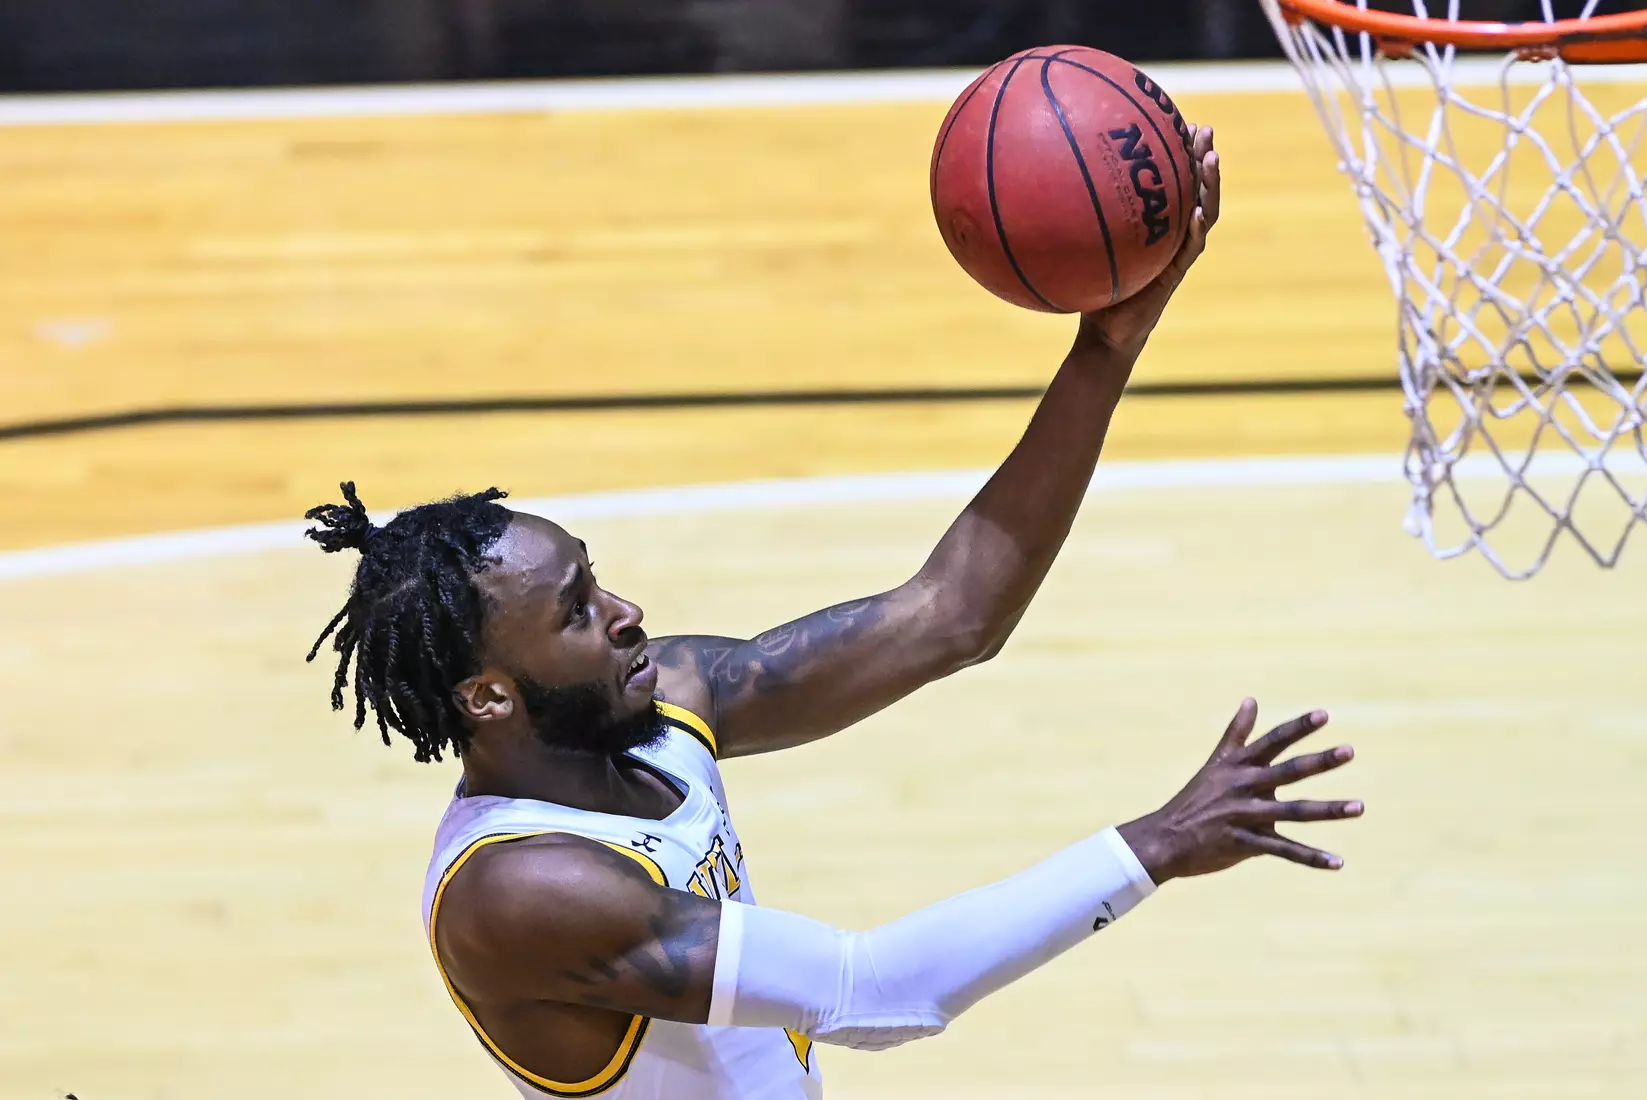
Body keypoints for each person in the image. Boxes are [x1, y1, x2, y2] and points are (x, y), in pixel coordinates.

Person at [303, 127, 1361, 1100]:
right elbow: (874, 991)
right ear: (488, 694)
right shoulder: (520, 890)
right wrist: (1158, 842)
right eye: (579, 611)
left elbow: (955, 612)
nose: (628, 613)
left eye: (599, 577)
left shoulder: (664, 698)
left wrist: (1105, 347)